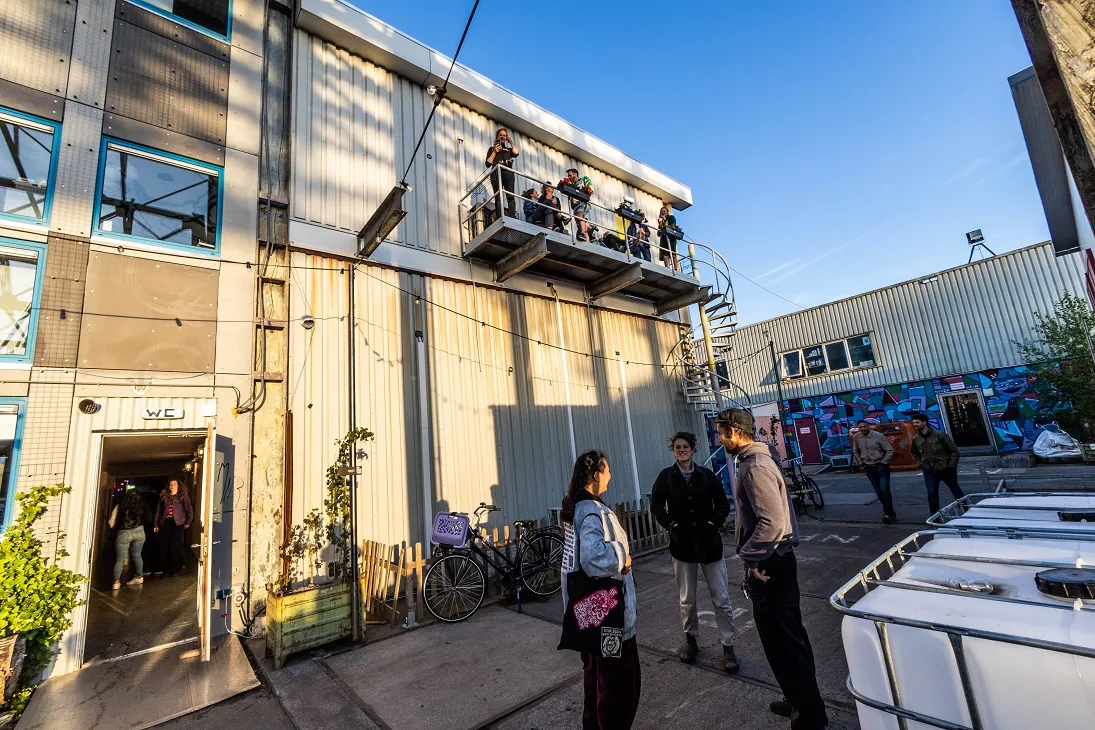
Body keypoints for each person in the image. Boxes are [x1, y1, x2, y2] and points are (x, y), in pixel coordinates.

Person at [715, 408, 828, 729]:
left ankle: (810, 716)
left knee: (785, 642)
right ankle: (798, 699)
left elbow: (772, 523)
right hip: (774, 561)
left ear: (735, 432)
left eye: (721, 432)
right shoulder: (755, 461)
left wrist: (751, 558)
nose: (719, 439)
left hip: (771, 566)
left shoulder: (755, 467)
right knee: (785, 639)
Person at [560, 450, 640, 730]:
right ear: (596, 475)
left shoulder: (577, 507)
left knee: (596, 679)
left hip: (589, 615)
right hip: (609, 619)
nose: (610, 476)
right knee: (618, 688)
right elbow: (593, 557)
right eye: (607, 470)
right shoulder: (591, 511)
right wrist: (622, 557)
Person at [650, 431, 739, 673]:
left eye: (685, 446)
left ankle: (728, 646)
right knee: (687, 599)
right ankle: (690, 641)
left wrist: (713, 523)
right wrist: (671, 525)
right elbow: (656, 506)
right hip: (683, 546)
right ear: (673, 450)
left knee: (721, 598)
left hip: (709, 545)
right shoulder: (666, 477)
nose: (682, 450)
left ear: (693, 449)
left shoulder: (706, 475)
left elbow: (722, 503)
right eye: (678, 447)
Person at [909, 412, 964, 515]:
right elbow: (914, 453)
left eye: (917, 422)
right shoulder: (916, 438)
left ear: (924, 422)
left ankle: (966, 510)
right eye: (913, 422)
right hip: (929, 470)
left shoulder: (940, 435)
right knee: (932, 492)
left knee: (955, 489)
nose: (914, 424)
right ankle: (935, 516)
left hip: (945, 468)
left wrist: (951, 466)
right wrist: (921, 463)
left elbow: (954, 452)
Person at [852, 420, 896, 523]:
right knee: (878, 492)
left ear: (868, 426)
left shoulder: (878, 436)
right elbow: (855, 450)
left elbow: (889, 450)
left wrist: (883, 462)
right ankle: (890, 512)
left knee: (884, 490)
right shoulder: (856, 437)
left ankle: (887, 513)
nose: (863, 428)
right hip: (868, 467)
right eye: (860, 427)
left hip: (880, 465)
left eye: (864, 426)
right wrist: (860, 462)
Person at [109, 485, 151, 590]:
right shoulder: (143, 504)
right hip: (139, 531)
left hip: (124, 533)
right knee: (137, 555)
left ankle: (116, 583)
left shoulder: (120, 506)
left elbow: (111, 523)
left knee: (120, 559)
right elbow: (149, 518)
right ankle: (139, 577)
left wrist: (116, 528)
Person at [154, 479, 194, 576]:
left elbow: (188, 509)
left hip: (178, 523)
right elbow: (159, 511)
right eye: (170, 484)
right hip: (166, 522)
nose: (172, 486)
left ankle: (179, 568)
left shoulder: (182, 496)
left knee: (176, 545)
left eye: (174, 484)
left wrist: (188, 521)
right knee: (166, 545)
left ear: (178, 485)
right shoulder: (164, 497)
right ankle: (168, 569)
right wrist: (156, 524)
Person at [484, 128, 519, 219]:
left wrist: (510, 141)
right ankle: (499, 216)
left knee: (510, 195)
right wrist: (495, 152)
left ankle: (512, 216)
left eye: (504, 135)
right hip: (496, 173)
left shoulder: (508, 149)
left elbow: (516, 152)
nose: (502, 137)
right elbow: (488, 163)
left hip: (508, 172)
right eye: (500, 135)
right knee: (498, 196)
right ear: (497, 137)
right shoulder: (492, 149)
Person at [558, 168, 594, 241]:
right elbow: (572, 206)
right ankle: (587, 238)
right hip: (576, 207)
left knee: (579, 214)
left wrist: (584, 189)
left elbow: (591, 190)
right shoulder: (571, 186)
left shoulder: (584, 179)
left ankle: (583, 233)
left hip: (584, 202)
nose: (569, 177)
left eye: (570, 175)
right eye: (568, 176)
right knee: (580, 225)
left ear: (575, 174)